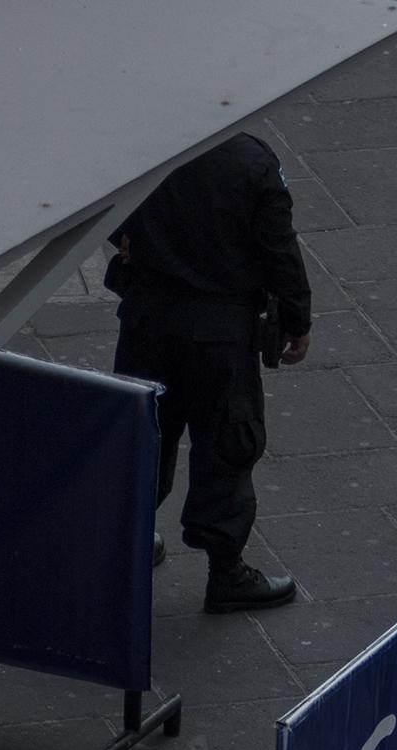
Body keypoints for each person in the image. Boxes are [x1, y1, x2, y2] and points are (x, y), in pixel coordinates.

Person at [106, 133, 309, 614]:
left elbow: (106, 208)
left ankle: (123, 546)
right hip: (220, 331)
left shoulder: (144, 145)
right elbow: (279, 247)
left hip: (146, 319)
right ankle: (227, 572)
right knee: (228, 443)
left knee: (141, 439)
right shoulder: (252, 162)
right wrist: (297, 317)